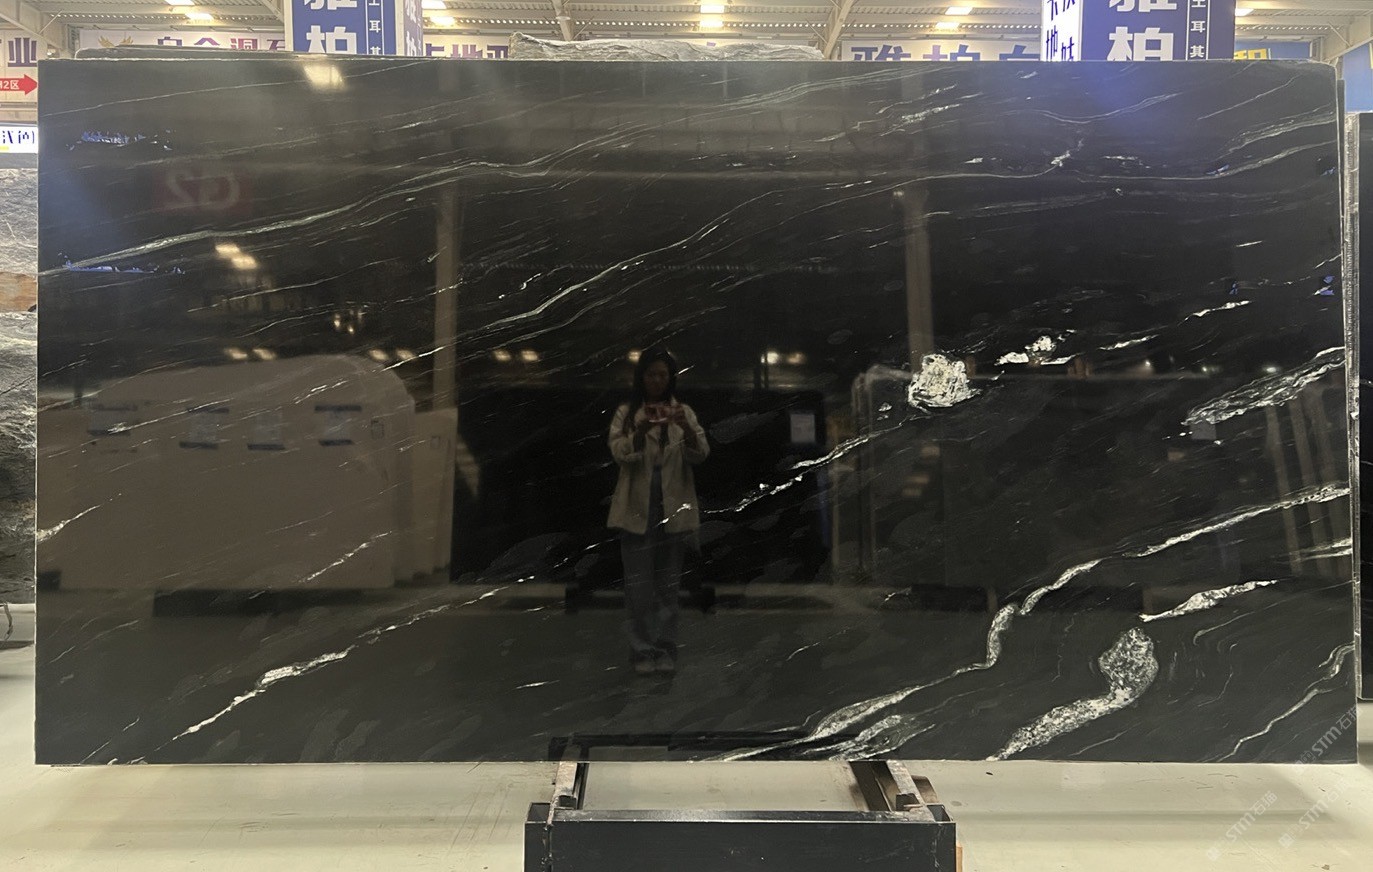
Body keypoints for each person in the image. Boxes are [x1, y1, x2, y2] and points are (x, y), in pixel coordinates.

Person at [607, 347, 709, 676]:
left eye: (663, 375)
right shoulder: (626, 413)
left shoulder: (683, 412)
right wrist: (640, 430)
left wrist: (686, 428)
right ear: (642, 377)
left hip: (672, 511)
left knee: (668, 587)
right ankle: (641, 649)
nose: (657, 381)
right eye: (651, 374)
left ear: (671, 378)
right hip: (637, 512)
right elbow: (619, 453)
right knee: (638, 590)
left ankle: (665, 647)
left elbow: (701, 454)